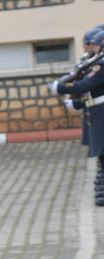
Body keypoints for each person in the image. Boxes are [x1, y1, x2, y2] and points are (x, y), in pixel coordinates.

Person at [51, 27, 104, 205]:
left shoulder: (101, 64)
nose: (90, 49)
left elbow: (87, 84)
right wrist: (77, 102)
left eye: (94, 45)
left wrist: (61, 88)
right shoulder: (97, 62)